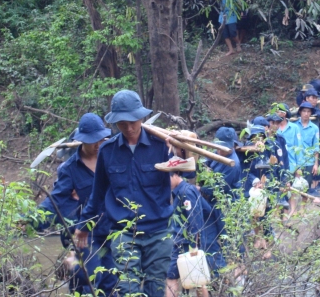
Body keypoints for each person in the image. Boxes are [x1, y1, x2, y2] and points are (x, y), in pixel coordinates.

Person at [75, 90, 173, 296]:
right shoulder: (107, 151)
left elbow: (189, 170)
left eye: (133, 122)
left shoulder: (162, 145)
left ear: (141, 117)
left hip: (158, 232)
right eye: (122, 123)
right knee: (128, 289)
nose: (129, 128)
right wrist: (84, 226)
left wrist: (182, 150)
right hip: (124, 233)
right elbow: (98, 193)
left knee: (156, 289)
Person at [36, 113, 117, 295]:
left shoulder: (111, 157)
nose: (97, 145)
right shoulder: (70, 169)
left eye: (100, 140)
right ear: (82, 141)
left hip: (112, 230)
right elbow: (56, 199)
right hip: (85, 233)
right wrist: (34, 219)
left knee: (112, 282)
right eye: (92, 141)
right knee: (87, 279)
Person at [198, 127, 241, 277]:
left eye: (226, 147)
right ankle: (219, 273)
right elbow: (205, 163)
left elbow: (216, 187)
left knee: (227, 239)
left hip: (225, 205)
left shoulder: (232, 163)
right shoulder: (216, 154)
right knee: (210, 239)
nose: (222, 151)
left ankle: (233, 272)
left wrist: (200, 187)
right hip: (213, 203)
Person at [166, 171, 209, 297]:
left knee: (172, 277)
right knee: (197, 280)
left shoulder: (186, 193)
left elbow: (194, 220)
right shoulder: (185, 191)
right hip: (184, 241)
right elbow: (206, 209)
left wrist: (193, 246)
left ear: (174, 175)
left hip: (185, 242)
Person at [302, 88, 320, 192]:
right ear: (307, 98)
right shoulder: (300, 111)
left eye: (316, 98)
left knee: (319, 162)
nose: (315, 100)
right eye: (313, 97)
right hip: (303, 142)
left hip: (317, 141)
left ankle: (317, 183)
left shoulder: (319, 113)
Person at [294, 102, 320, 195]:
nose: (306, 113)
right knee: (294, 187)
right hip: (296, 161)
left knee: (306, 188)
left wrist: (316, 164)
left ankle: (303, 208)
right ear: (300, 112)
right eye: (304, 111)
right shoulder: (294, 126)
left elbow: (316, 146)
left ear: (311, 113)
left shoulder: (314, 128)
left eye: (308, 111)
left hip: (309, 161)